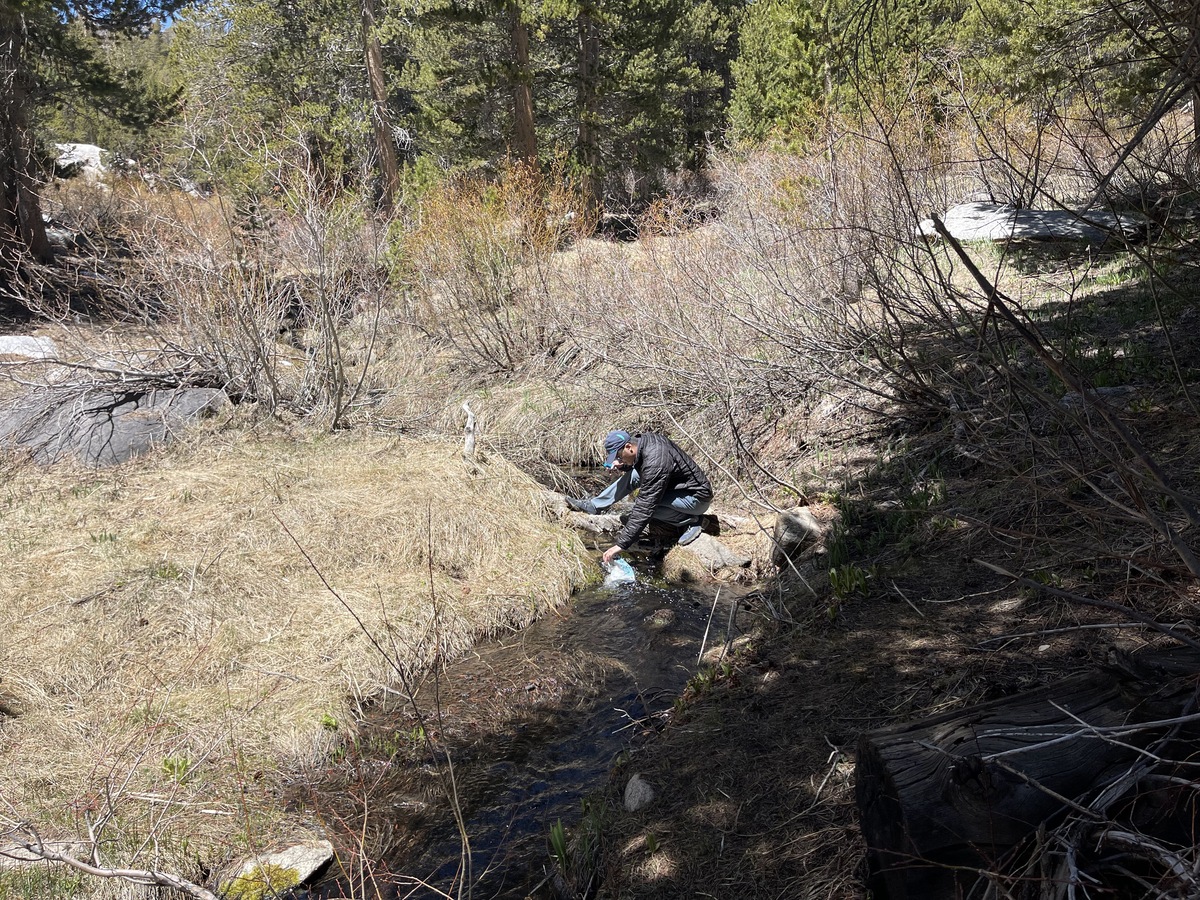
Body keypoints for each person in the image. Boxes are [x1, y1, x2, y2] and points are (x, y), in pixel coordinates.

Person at [568, 430, 713, 564]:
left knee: (648, 506)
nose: (619, 459)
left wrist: (621, 544)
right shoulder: (644, 442)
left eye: (619, 456)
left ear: (629, 447)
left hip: (696, 499)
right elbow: (639, 465)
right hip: (676, 490)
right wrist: (623, 465)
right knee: (633, 476)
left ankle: (692, 520)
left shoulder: (656, 461)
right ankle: (595, 505)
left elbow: (645, 507)